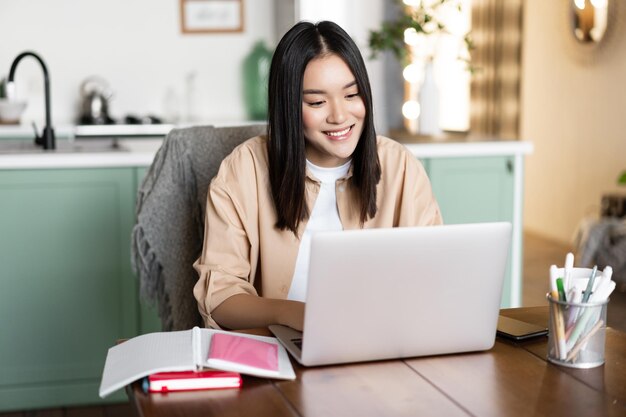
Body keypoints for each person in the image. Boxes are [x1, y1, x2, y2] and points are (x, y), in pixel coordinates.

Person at [193, 21, 442, 331]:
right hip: (281, 349)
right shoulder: (244, 170)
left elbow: (432, 278)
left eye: (352, 95)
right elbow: (220, 297)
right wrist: (294, 314)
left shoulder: (400, 166)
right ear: (288, 107)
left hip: (382, 346)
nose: (340, 115)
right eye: (317, 102)